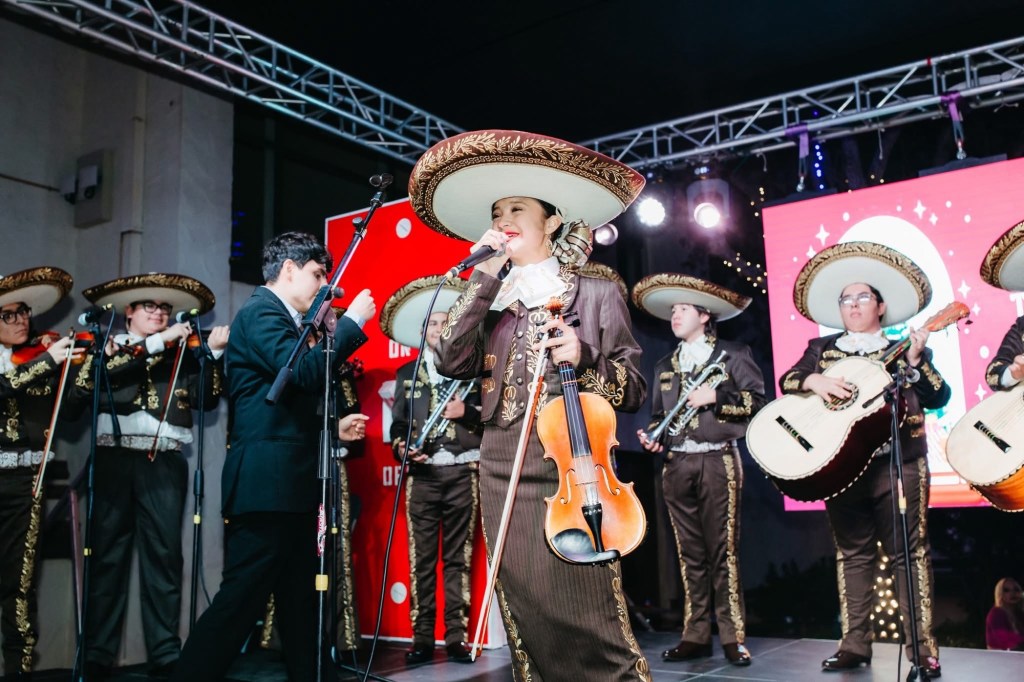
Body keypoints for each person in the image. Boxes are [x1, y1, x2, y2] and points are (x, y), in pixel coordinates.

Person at [411, 129, 650, 681]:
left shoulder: (595, 290)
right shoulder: (493, 297)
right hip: (499, 463)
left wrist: (585, 355)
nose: (504, 219)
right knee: (524, 606)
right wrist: (485, 275)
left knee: (588, 608)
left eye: (517, 208)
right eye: (497, 212)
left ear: (552, 220)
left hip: (574, 465)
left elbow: (634, 389)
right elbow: (451, 360)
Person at [170, 232, 374, 682]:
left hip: (289, 483)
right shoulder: (262, 312)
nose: (323, 286)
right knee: (240, 601)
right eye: (317, 274)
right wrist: (352, 324)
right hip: (266, 484)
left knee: (301, 603)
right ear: (288, 269)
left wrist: (331, 426)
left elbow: (282, 404)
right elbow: (299, 374)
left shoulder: (285, 320)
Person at [777, 242, 948, 677]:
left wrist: (916, 361)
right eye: (846, 299)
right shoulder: (822, 347)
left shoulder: (904, 347)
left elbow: (938, 395)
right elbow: (789, 379)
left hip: (900, 463)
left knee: (909, 555)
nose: (853, 305)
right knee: (852, 554)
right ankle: (854, 645)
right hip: (842, 467)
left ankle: (921, 651)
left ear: (881, 306)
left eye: (862, 297)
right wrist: (815, 381)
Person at [75, 273, 229, 680]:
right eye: (150, 306)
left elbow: (206, 400)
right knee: (106, 557)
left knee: (164, 557)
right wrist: (160, 342)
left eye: (164, 308)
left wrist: (212, 356)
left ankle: (165, 652)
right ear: (129, 312)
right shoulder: (109, 349)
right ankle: (97, 653)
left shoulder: (183, 352)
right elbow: (94, 384)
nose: (159, 313)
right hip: (113, 458)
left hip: (163, 460)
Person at [632, 274, 765, 667]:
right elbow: (659, 417)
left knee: (723, 551)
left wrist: (716, 397)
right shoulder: (664, 365)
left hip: (718, 458)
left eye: (684, 309)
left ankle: (733, 637)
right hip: (677, 463)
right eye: (673, 310)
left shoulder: (733, 354)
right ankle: (695, 635)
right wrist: (653, 438)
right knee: (688, 552)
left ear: (705, 316)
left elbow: (759, 403)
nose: (675, 315)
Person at [381, 275, 482, 664]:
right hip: (421, 477)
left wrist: (466, 411)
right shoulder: (406, 374)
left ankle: (455, 637)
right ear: (423, 333)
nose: (439, 329)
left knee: (458, 558)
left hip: (461, 472)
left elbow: (491, 419)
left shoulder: (470, 372)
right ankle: (422, 637)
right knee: (421, 559)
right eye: (433, 324)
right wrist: (402, 447)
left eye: (445, 322)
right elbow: (397, 427)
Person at [0, 267, 83, 681]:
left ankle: (19, 671)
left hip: (25, 482)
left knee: (20, 582)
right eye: (9, 315)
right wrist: (47, 360)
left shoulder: (41, 357)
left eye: (24, 313)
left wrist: (80, 371)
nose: (21, 321)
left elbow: (71, 412)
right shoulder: (38, 361)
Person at [986, 577, 1024, 650]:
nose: (1012, 593)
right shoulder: (996, 613)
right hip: (1001, 655)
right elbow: (1004, 639)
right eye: (1006, 590)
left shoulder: (1019, 613)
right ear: (1000, 593)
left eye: (1016, 589)